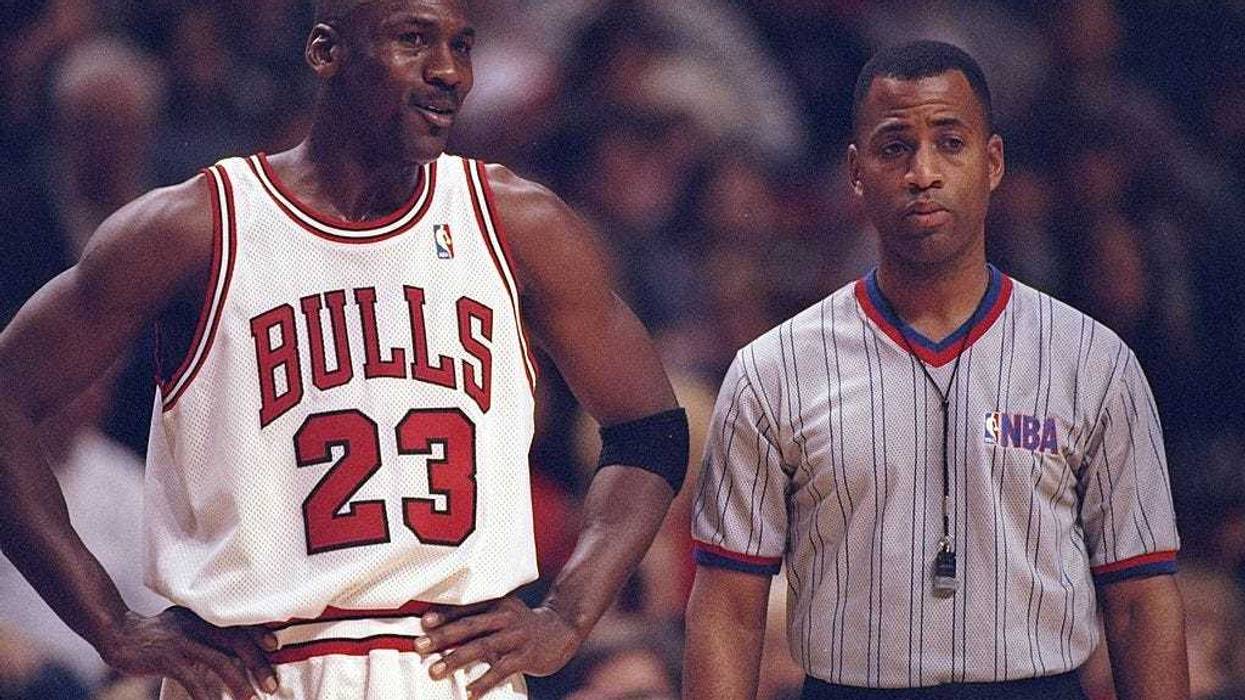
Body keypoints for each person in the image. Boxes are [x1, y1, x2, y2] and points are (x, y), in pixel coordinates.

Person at [0, 1, 688, 698]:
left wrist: (566, 615)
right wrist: (112, 625)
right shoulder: (197, 227)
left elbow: (650, 432)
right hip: (258, 670)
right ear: (325, 53)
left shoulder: (517, 224)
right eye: (412, 40)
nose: (447, 70)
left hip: (448, 671)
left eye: (461, 45)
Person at [683, 41, 1187, 700]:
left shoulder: (1092, 360)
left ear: (992, 161)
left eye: (949, 142)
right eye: (895, 148)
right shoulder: (773, 368)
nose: (923, 171)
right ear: (856, 172)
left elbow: (1140, 600)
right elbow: (726, 606)